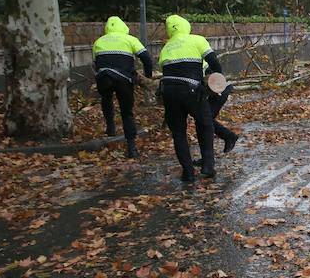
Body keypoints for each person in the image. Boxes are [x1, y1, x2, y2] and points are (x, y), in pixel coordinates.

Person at [158, 15, 221, 182]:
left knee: (178, 133)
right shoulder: (197, 40)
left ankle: (188, 172)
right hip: (192, 91)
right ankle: (208, 166)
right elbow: (214, 63)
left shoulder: (165, 48)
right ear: (186, 25)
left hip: (169, 93)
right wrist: (216, 80)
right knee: (205, 124)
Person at [92, 16, 153, 158]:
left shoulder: (99, 41)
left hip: (104, 77)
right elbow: (146, 58)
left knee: (106, 100)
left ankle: (111, 128)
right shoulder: (130, 39)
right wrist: (148, 76)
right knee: (127, 112)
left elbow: (95, 63)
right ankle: (131, 147)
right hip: (123, 79)